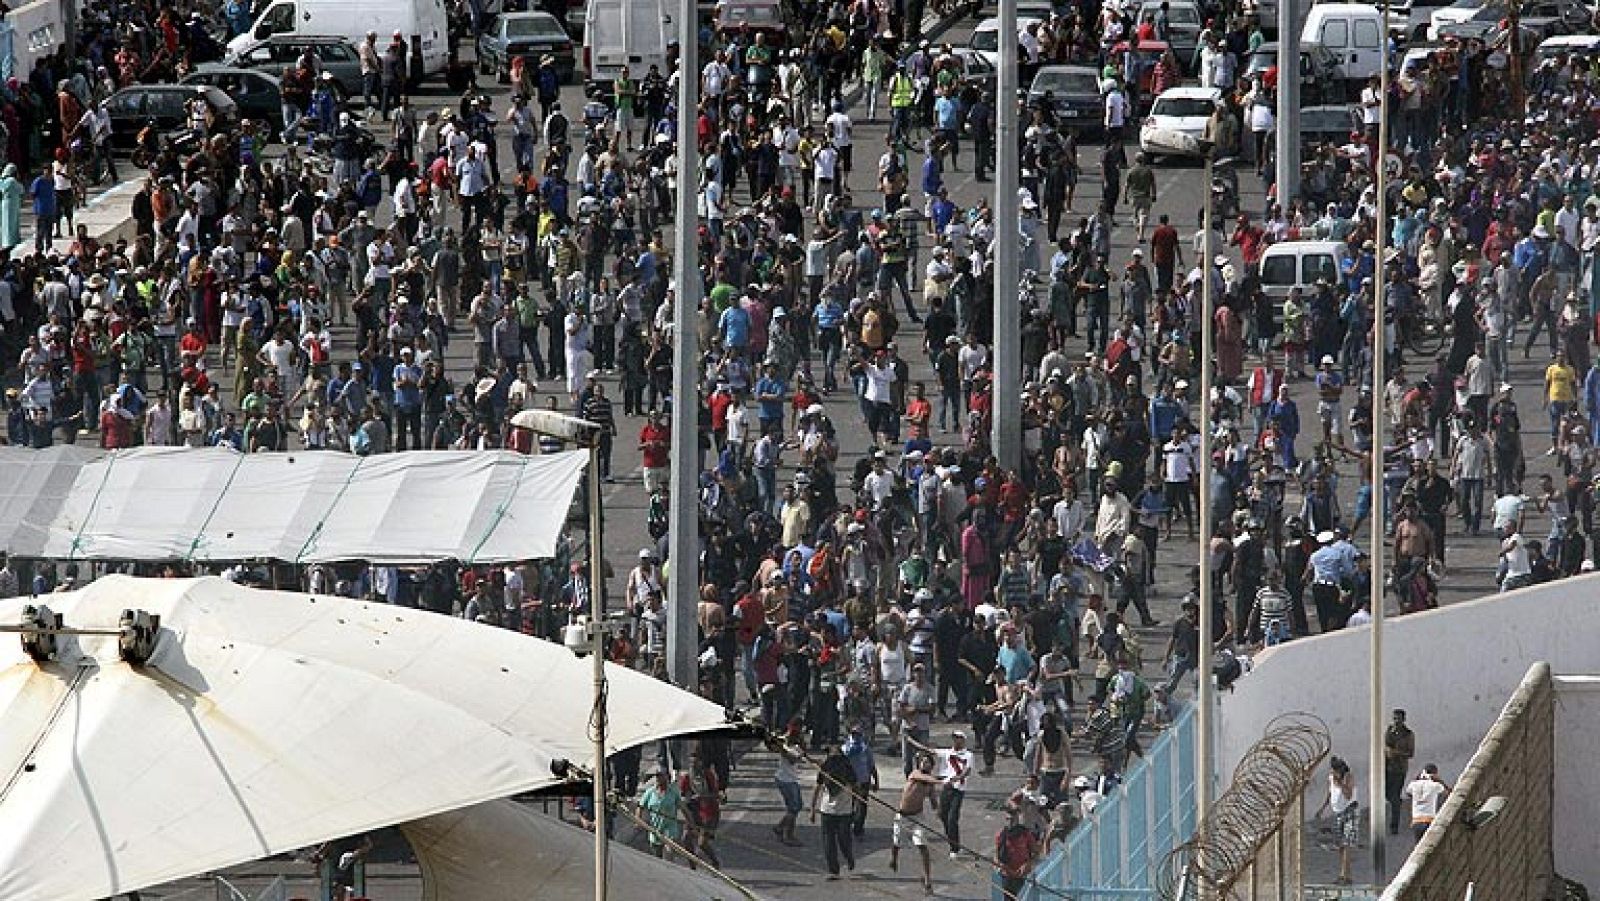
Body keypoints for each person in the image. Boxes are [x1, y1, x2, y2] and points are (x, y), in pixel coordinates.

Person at [891, 751, 941, 892]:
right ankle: (894, 859)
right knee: (896, 843)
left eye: (927, 762)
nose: (925, 764)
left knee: (922, 846)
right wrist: (943, 780)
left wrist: (938, 811)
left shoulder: (930, 784)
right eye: (922, 761)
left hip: (917, 817)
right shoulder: (914, 774)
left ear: (931, 765)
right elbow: (928, 778)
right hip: (902, 816)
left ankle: (927, 880)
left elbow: (933, 802)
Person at [811, 745, 857, 879]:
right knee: (828, 841)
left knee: (844, 840)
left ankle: (849, 857)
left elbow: (856, 787)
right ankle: (833, 870)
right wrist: (813, 809)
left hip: (844, 812)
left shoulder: (848, 769)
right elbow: (817, 788)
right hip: (827, 810)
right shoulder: (825, 770)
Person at [1315, 756, 1360, 885]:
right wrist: (1323, 808)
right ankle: (1345, 874)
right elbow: (1330, 794)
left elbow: (1348, 795)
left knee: (1346, 844)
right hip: (1338, 813)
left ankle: (1344, 876)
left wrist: (1339, 783)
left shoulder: (1348, 777)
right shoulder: (1331, 778)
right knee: (1340, 845)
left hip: (1350, 811)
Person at [995, 806, 1040, 898]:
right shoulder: (1000, 835)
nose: (1010, 822)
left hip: (1023, 875)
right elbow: (997, 856)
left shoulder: (1025, 834)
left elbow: (1036, 852)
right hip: (1007, 875)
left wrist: (1027, 864)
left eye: (1013, 819)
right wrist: (1001, 866)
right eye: (1008, 819)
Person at [1383, 708, 1416, 834]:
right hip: (1388, 768)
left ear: (1403, 720)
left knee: (1394, 796)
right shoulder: (1389, 731)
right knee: (1387, 795)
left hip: (1400, 770)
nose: (1396, 721)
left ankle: (1394, 825)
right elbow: (1386, 746)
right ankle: (1397, 802)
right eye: (1394, 718)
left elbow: (1411, 753)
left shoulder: (1408, 734)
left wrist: (1396, 753)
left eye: (1398, 719)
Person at [1403, 764, 1450, 842]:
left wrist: (1416, 779)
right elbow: (1448, 793)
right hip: (1429, 821)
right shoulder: (1435, 785)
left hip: (1416, 821)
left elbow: (1408, 793)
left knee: (1418, 845)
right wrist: (1440, 781)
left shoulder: (1413, 785)